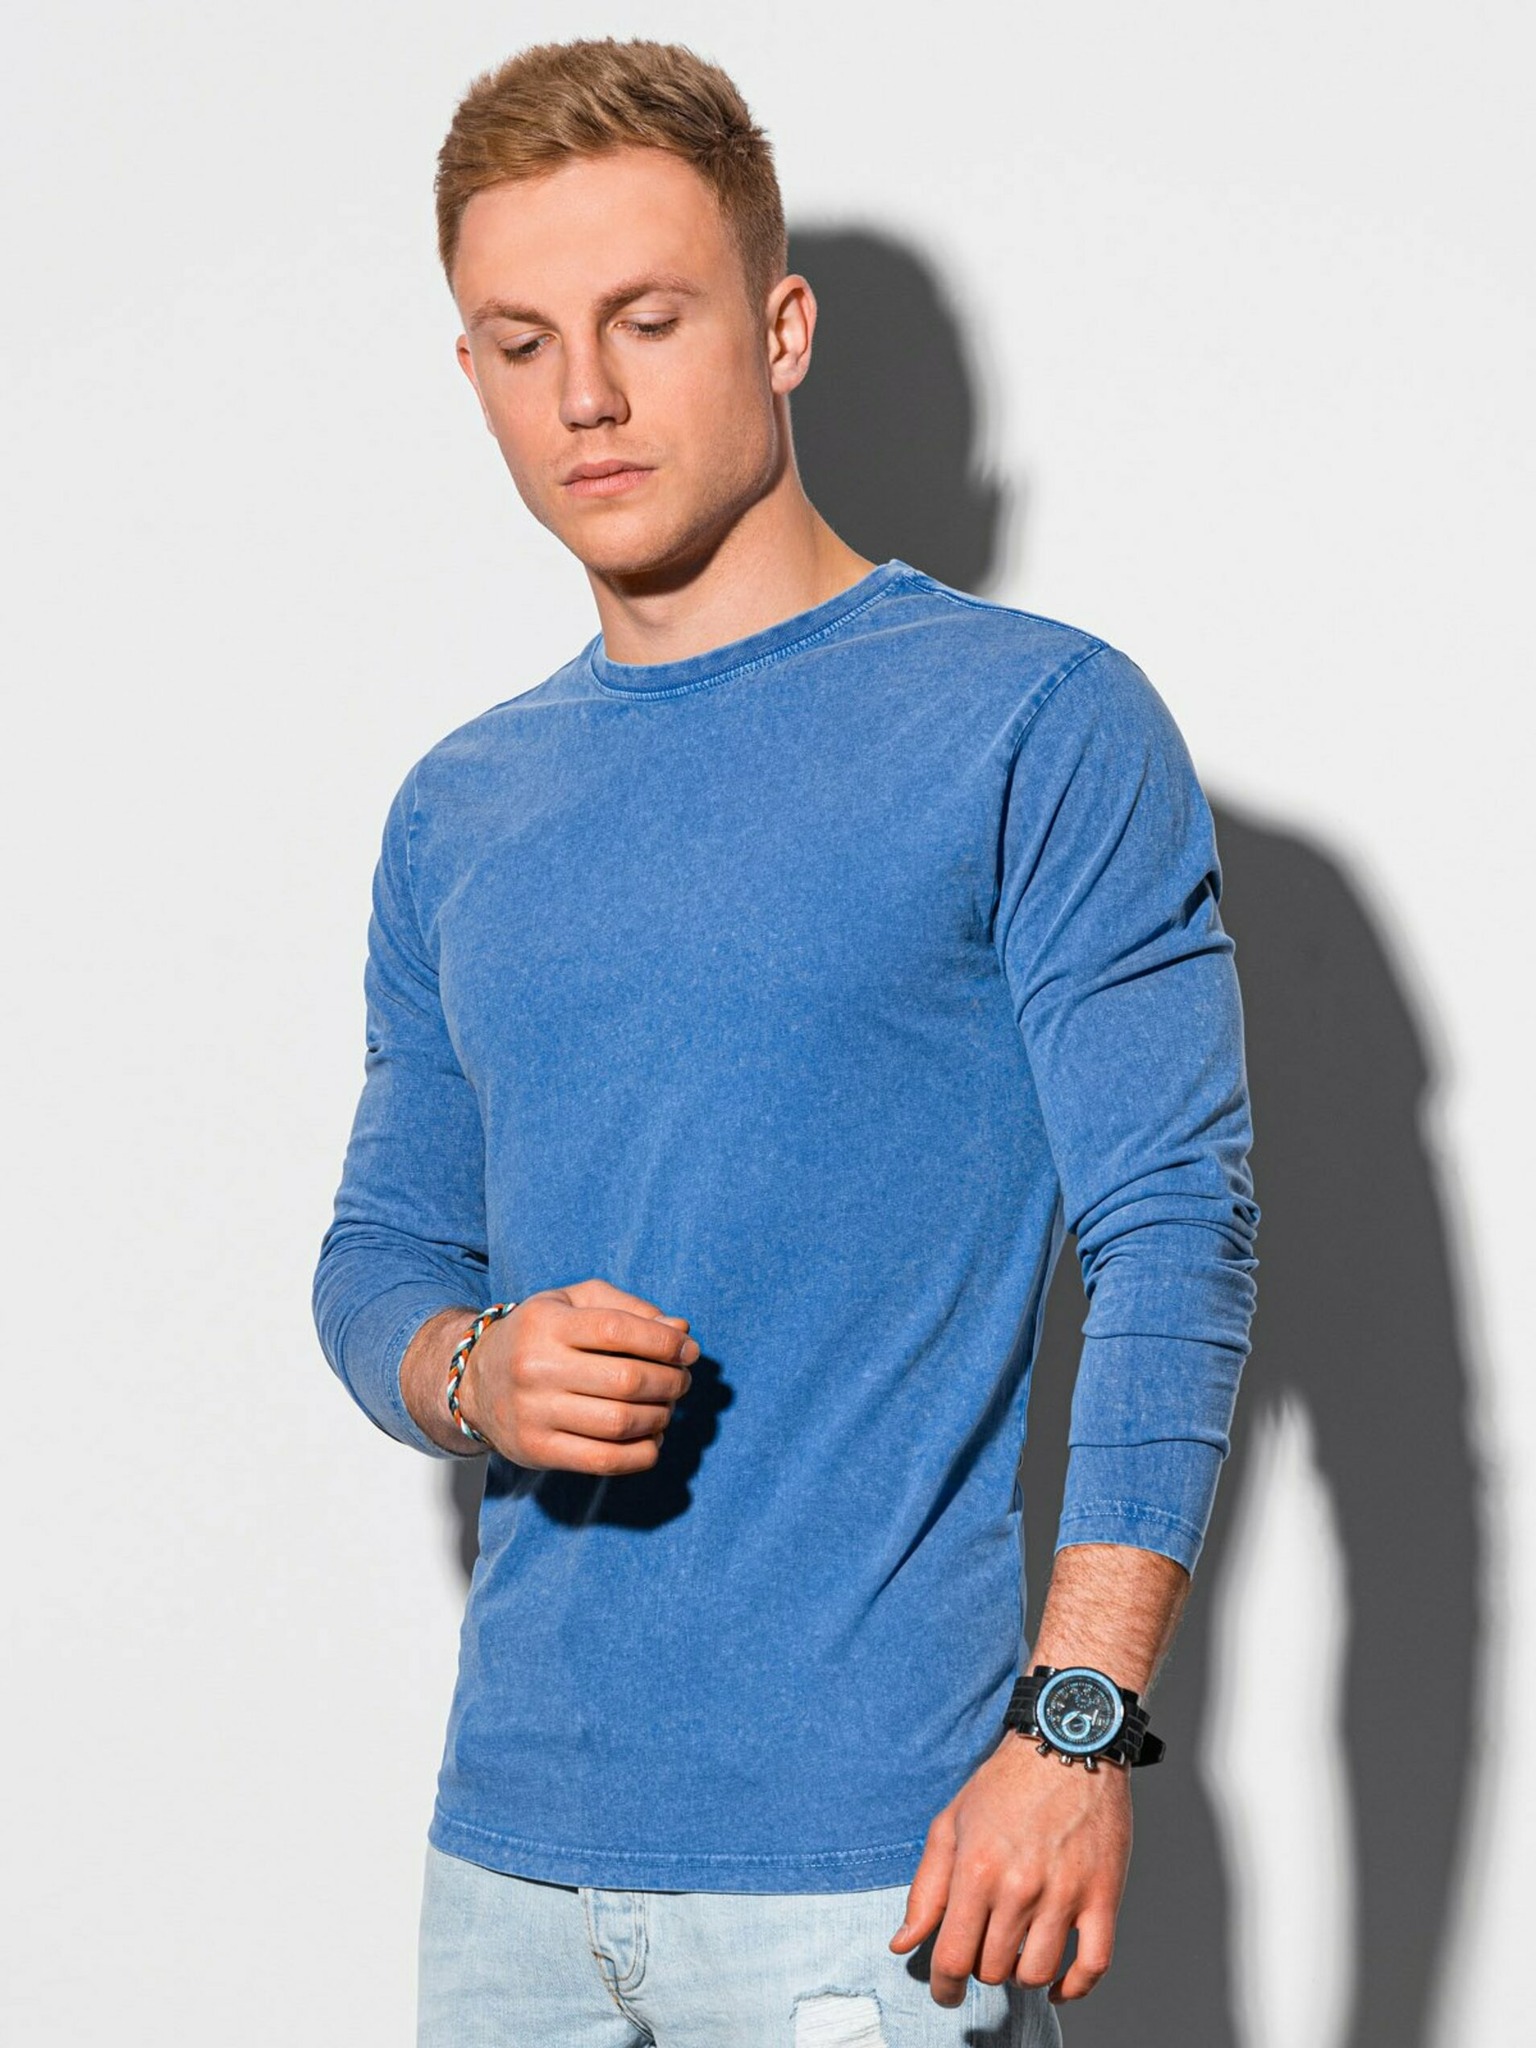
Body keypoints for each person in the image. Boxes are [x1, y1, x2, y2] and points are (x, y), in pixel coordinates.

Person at [311, 35, 1260, 2047]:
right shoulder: (460, 807)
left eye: (647, 318)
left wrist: (1076, 1729)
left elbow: (1176, 1234)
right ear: (470, 372)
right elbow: (379, 1256)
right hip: (508, 1881)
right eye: (521, 343)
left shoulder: (1031, 722)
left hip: (877, 1884)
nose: (585, 394)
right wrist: (473, 1367)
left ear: (781, 326)